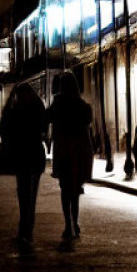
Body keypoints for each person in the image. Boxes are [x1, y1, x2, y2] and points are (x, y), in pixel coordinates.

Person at [45, 71, 93, 241]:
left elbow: (46, 117)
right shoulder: (82, 105)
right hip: (80, 152)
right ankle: (75, 222)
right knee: (75, 191)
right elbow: (88, 119)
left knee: (66, 190)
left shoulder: (58, 103)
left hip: (64, 151)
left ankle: (68, 225)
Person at [0, 83, 47, 250]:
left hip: (22, 155)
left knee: (24, 193)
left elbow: (3, 127)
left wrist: (9, 101)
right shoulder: (37, 106)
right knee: (30, 194)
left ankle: (24, 229)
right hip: (35, 154)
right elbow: (44, 128)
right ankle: (27, 230)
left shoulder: (16, 110)